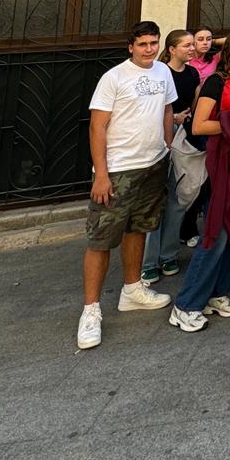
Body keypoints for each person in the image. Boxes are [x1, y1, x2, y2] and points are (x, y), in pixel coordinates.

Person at [77, 21, 175, 348]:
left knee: (138, 228)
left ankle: (132, 289)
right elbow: (97, 127)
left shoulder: (162, 72)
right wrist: (101, 173)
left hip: (153, 163)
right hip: (119, 168)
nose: (149, 49)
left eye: (153, 43)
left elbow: (166, 108)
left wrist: (167, 143)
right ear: (130, 46)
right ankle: (91, 310)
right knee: (102, 238)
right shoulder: (113, 78)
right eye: (143, 44)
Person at [170, 30, 230, 333]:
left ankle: (217, 292)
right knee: (215, 230)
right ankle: (186, 304)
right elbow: (199, 124)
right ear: (228, 52)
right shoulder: (214, 82)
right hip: (220, 162)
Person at [142, 29, 201, 283]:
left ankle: (169, 254)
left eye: (192, 45)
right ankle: (148, 261)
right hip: (160, 135)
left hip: (184, 137)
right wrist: (172, 119)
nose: (192, 49)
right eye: (186, 45)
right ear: (172, 49)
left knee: (178, 197)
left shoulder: (192, 73)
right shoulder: (159, 72)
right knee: (155, 200)